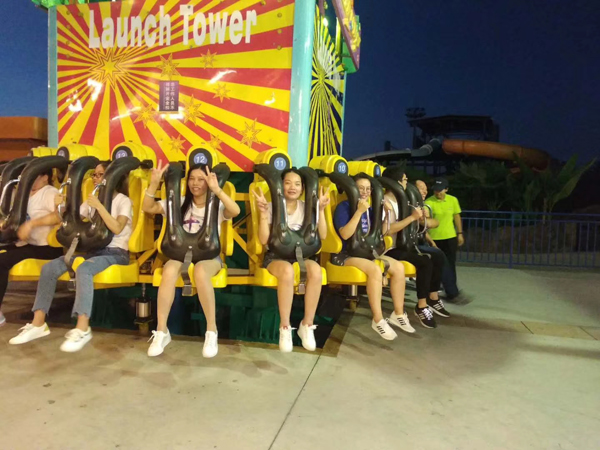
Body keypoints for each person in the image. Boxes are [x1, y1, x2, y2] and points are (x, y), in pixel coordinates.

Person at [9, 162, 133, 352]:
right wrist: (60, 206)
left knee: (84, 268)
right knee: (49, 268)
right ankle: (38, 323)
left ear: (112, 178)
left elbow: (117, 228)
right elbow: (69, 220)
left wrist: (99, 207)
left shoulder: (123, 200)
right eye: (94, 175)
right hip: (92, 251)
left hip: (116, 253)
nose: (96, 179)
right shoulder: (91, 200)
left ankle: (82, 328)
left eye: (100, 175)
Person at [143, 162, 240, 358]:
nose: (196, 183)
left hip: (207, 256)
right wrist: (153, 184)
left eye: (201, 180)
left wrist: (217, 190)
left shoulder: (215, 205)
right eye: (192, 179)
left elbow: (235, 211)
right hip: (181, 254)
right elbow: (149, 207)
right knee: (169, 270)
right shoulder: (178, 203)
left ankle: (211, 330)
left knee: (200, 271)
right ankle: (162, 331)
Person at [253, 169, 329, 353]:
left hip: (301, 256)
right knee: (287, 270)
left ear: (303, 188)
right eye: (287, 183)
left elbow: (323, 235)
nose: (292, 187)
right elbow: (263, 239)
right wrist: (263, 213)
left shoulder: (308, 207)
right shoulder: (272, 207)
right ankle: (285, 327)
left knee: (316, 271)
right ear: (280, 186)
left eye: (297, 184)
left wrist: (320, 210)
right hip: (276, 257)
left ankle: (307, 324)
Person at [332, 174, 410, 340]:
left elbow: (381, 233)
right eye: (361, 188)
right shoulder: (344, 207)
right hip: (345, 255)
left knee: (398, 267)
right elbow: (345, 234)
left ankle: (398, 313)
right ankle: (378, 319)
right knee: (374, 269)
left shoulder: (371, 210)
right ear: (352, 189)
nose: (365, 192)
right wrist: (359, 212)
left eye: (368, 189)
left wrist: (386, 214)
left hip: (366, 252)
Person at [383, 173, 448, 328]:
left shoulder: (402, 201)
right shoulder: (385, 202)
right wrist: (412, 218)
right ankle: (421, 305)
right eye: (405, 179)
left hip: (403, 244)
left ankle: (432, 297)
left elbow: (430, 223)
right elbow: (387, 230)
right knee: (425, 261)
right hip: (389, 248)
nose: (407, 182)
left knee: (438, 256)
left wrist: (420, 218)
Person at [0, 168, 63, 327]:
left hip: (46, 247)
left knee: (2, 261)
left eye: (34, 176)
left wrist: (32, 224)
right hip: (26, 244)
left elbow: (59, 216)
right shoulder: (24, 194)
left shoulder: (50, 192)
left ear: (45, 177)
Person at [416, 180, 470, 304]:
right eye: (435, 189)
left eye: (440, 190)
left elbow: (456, 217)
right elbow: (425, 221)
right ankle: (445, 292)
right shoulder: (428, 202)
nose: (437, 192)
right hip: (434, 238)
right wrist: (431, 240)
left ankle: (450, 290)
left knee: (449, 264)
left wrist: (460, 233)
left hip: (449, 237)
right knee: (438, 265)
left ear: (446, 189)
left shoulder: (452, 200)